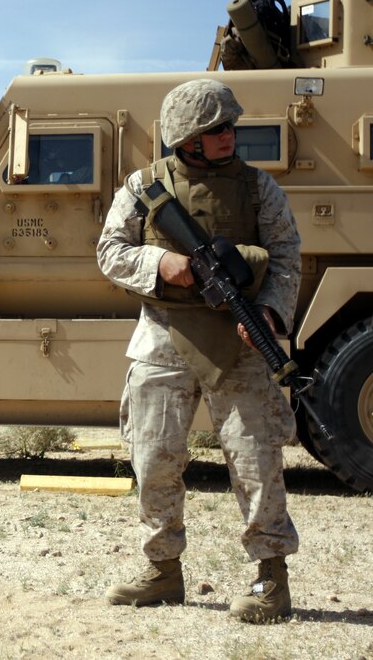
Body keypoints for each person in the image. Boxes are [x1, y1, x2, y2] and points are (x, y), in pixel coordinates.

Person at [96, 79, 301, 623]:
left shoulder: (260, 190)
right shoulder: (143, 187)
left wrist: (271, 312)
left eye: (231, 126)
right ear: (186, 138)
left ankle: (270, 580)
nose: (229, 136)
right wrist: (163, 266)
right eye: (217, 130)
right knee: (154, 459)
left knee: (257, 461)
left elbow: (285, 256)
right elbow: (110, 253)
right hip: (163, 338)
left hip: (241, 340)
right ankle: (161, 571)